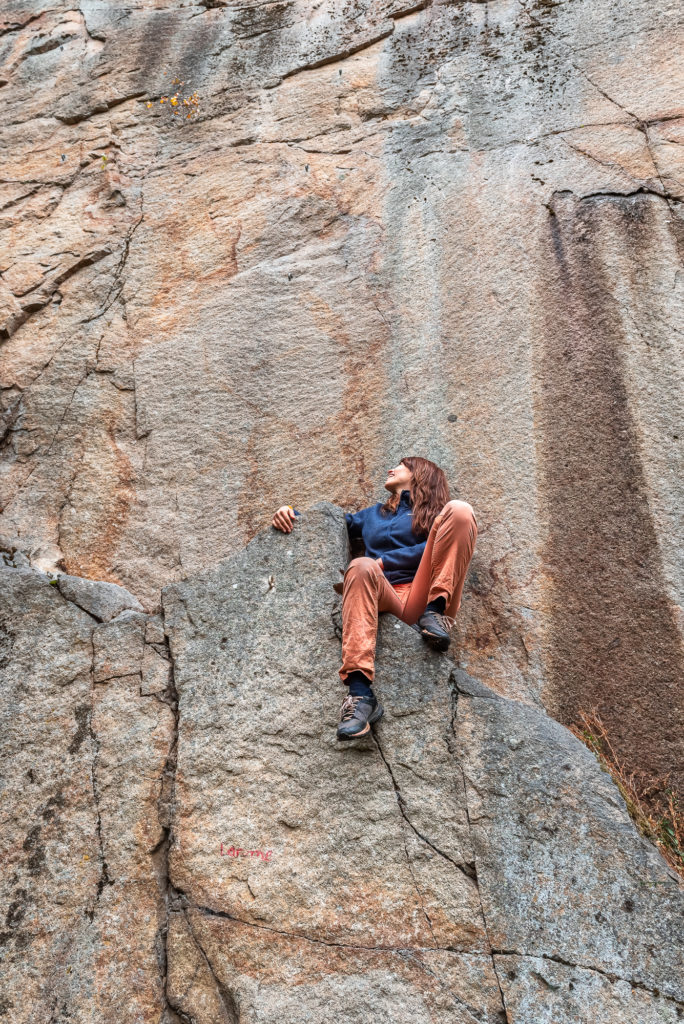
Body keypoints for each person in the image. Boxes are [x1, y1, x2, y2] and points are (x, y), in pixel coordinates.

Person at [271, 456, 478, 741]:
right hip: (385, 597)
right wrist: (290, 511)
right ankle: (360, 696)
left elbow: (432, 551)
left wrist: (384, 561)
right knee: (359, 566)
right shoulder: (371, 515)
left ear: (420, 474)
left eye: (402, 466)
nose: (392, 469)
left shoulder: (439, 516)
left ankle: (434, 612)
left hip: (426, 596)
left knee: (462, 510)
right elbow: (325, 525)